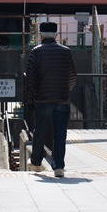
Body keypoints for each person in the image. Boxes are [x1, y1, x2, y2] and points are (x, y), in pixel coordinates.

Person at [25, 21, 77, 177]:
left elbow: (31, 79)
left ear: (40, 34)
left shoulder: (36, 52)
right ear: (56, 35)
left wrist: (30, 99)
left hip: (42, 99)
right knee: (60, 133)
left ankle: (36, 163)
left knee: (39, 131)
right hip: (62, 99)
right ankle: (58, 167)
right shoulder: (66, 51)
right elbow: (72, 76)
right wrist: (65, 90)